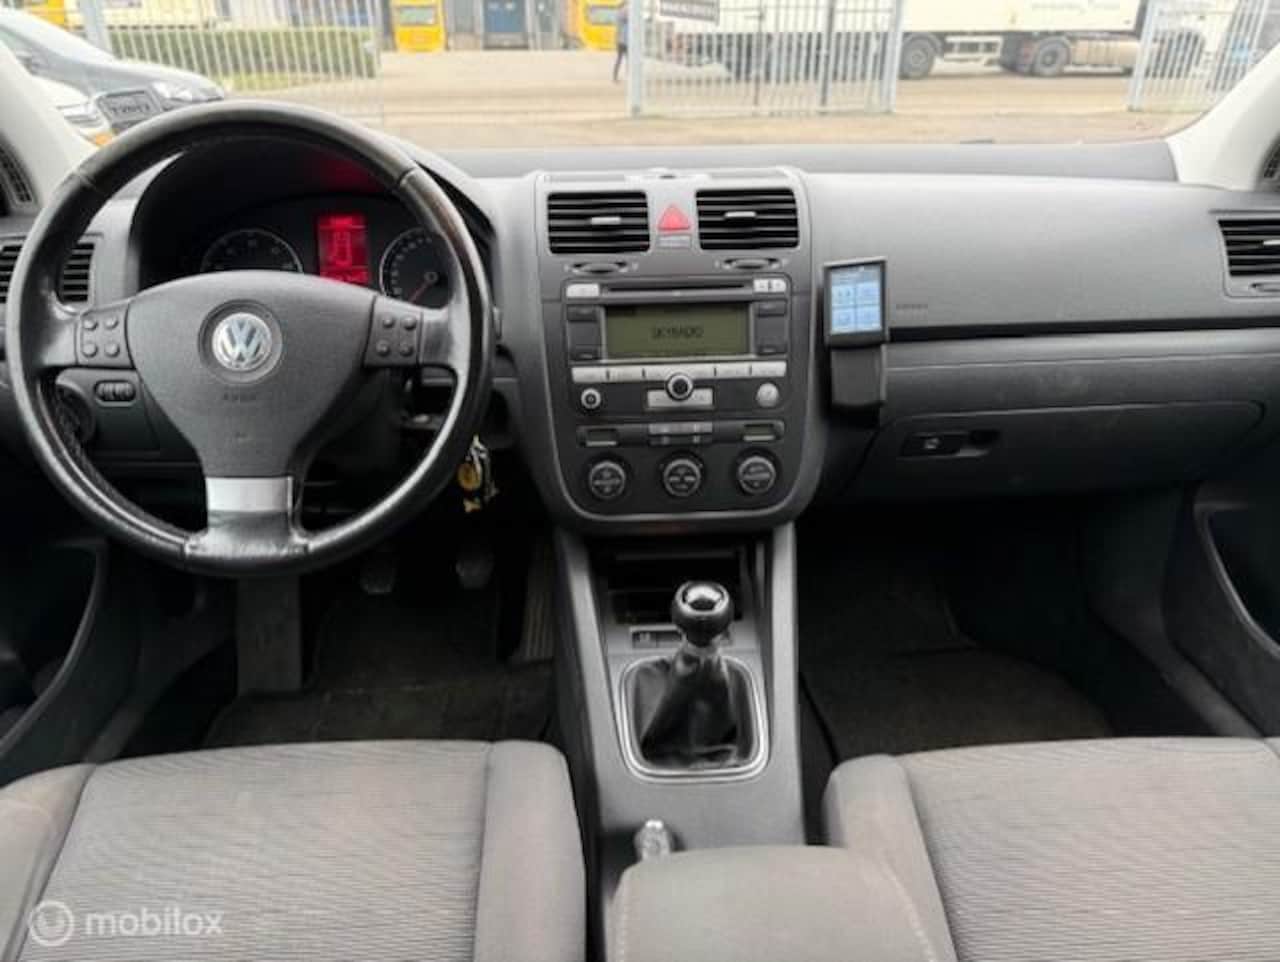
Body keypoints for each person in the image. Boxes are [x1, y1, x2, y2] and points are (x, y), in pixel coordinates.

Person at [613, 4, 629, 83]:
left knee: (621, 59)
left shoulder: (618, 15)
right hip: (624, 41)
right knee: (626, 59)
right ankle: (618, 76)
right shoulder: (623, 17)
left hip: (621, 41)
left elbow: (617, 31)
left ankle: (616, 77)